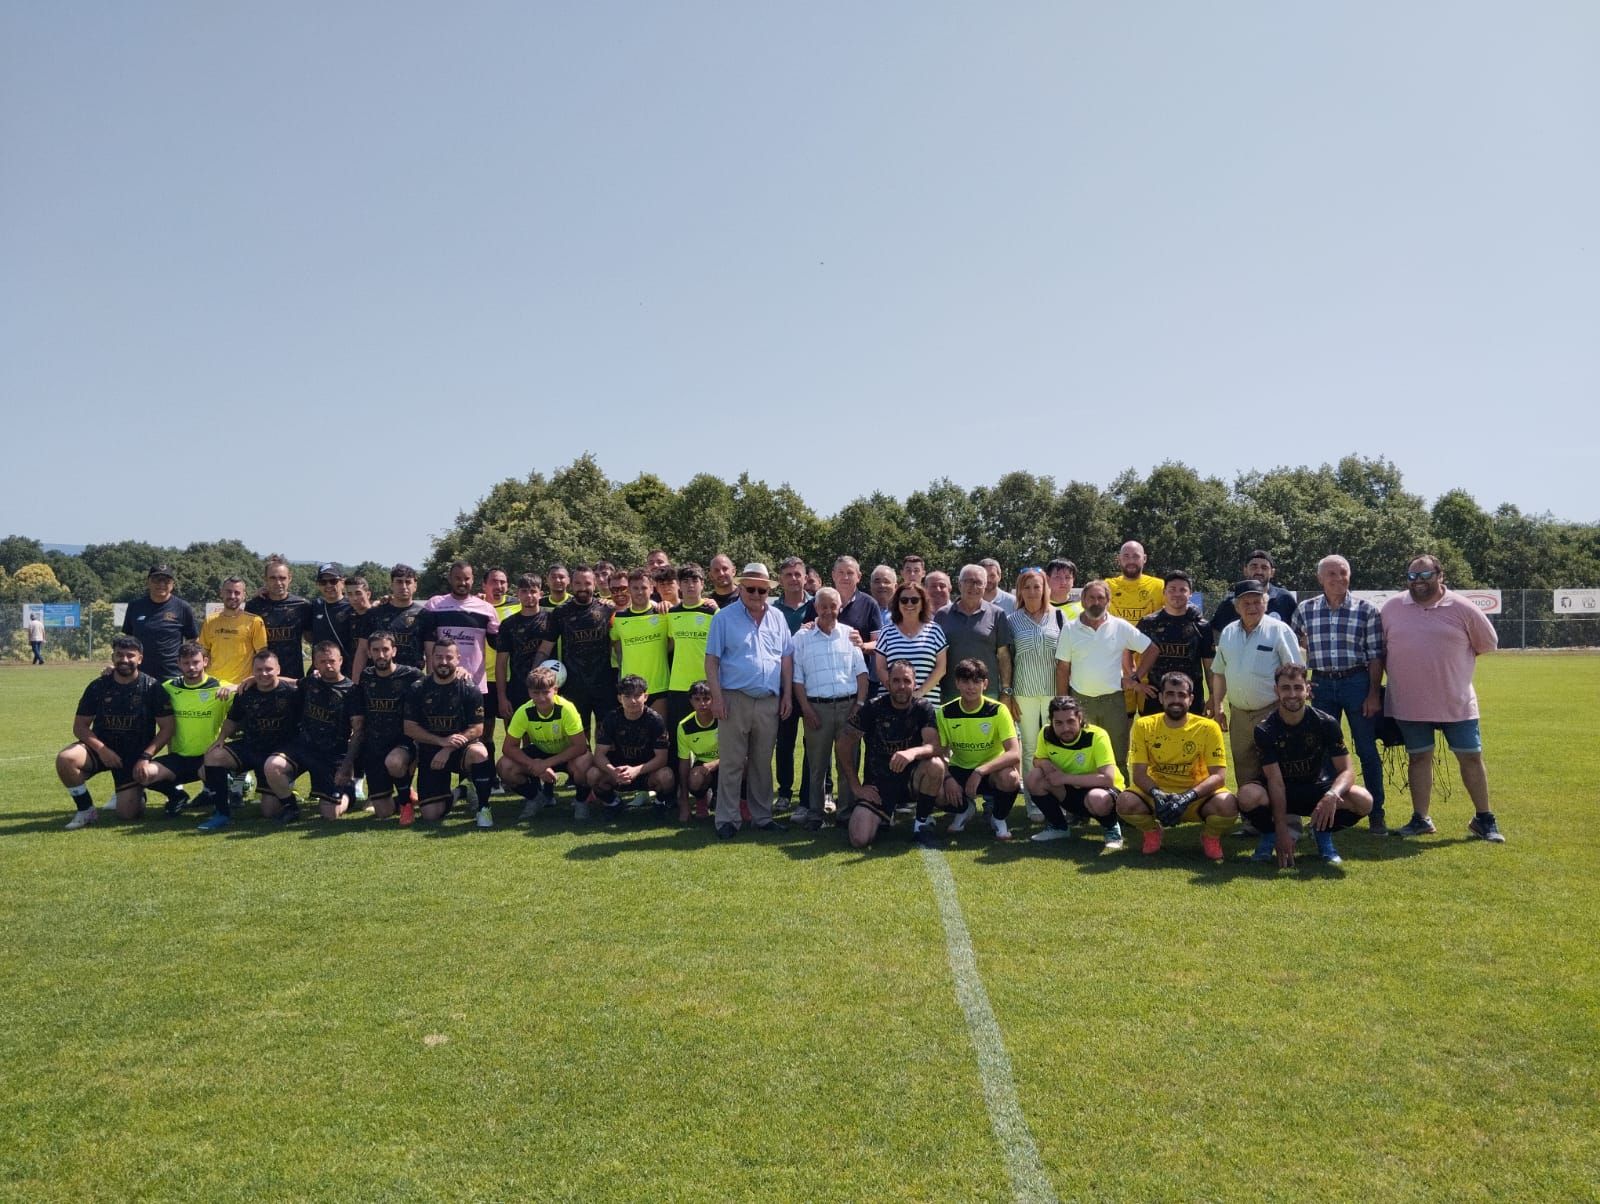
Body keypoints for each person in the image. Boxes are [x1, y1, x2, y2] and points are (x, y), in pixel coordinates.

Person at [1380, 554, 1504, 841]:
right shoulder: (1391, 608)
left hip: (1456, 702)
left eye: (1425, 575)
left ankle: (1484, 819)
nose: (1418, 582)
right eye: (1412, 576)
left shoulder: (1463, 607)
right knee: (1419, 759)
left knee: (1471, 758)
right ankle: (1420, 819)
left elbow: (1488, 643)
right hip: (1409, 703)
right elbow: (1380, 650)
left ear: (1440, 575)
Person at [1237, 664, 1374, 866]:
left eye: (1298, 687)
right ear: (1276, 691)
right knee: (1247, 795)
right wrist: (1281, 830)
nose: (1292, 694)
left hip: (1317, 790)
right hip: (1280, 791)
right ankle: (1269, 835)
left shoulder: (1326, 723)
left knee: (1363, 800)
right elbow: (1275, 782)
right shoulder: (1265, 729)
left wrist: (1331, 795)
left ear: (1308, 689)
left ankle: (1322, 833)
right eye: (1285, 688)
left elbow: (1347, 771)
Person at [1292, 554, 1388, 833]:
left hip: (1356, 682)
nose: (1338, 579)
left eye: (1343, 573)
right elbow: (1295, 651)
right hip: (1321, 684)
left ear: (1350, 575)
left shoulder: (1367, 610)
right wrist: (1303, 681)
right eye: (1331, 574)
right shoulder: (1304, 610)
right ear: (1320, 578)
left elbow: (1375, 656)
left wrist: (1372, 693)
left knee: (1367, 749)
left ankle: (1376, 813)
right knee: (1321, 752)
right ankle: (1324, 811)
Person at [703, 562, 793, 839]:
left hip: (768, 700)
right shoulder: (724, 618)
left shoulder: (778, 617)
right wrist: (716, 697)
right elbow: (711, 661)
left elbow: (786, 659)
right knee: (731, 762)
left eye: (762, 590)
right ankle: (727, 819)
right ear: (740, 587)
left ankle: (762, 816)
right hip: (734, 698)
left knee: (761, 762)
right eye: (751, 589)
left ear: (768, 591)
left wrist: (787, 694)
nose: (756, 594)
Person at [1116, 672, 1237, 861]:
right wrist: (1158, 795)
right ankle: (1152, 831)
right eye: (1170, 694)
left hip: (1197, 797)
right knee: (1124, 802)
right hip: (1158, 797)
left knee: (1228, 805)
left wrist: (1187, 797)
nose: (1176, 700)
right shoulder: (1144, 725)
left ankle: (1210, 837)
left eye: (1182, 695)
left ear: (1191, 699)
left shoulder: (1208, 727)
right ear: (1161, 697)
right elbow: (1138, 774)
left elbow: (1219, 776)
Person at [57, 635, 174, 828]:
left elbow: (167, 728)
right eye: (120, 655)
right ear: (113, 657)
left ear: (140, 659)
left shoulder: (152, 687)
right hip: (100, 749)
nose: (125, 660)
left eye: (130, 655)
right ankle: (86, 810)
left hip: (134, 756)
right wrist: (102, 750)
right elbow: (80, 727)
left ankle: (138, 793)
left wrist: (145, 756)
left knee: (127, 815)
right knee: (66, 759)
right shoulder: (98, 686)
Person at [1054, 580, 1158, 778]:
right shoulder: (1070, 629)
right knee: (1081, 755)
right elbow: (1062, 669)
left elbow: (1152, 649)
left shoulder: (1120, 626)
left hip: (1113, 702)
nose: (1096, 602)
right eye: (1091, 597)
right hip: (1081, 702)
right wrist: (1061, 704)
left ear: (1108, 601)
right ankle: (1081, 803)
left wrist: (1135, 677)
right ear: (1083, 600)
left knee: (1117, 755)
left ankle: (1121, 802)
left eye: (1101, 597)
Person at [838, 659, 944, 848]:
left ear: (915, 683)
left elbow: (934, 746)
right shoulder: (873, 707)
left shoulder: (923, 708)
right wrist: (856, 786)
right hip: (878, 787)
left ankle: (921, 825)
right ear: (887, 683)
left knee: (935, 765)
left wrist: (912, 752)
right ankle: (883, 816)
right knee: (859, 839)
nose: (901, 686)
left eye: (906, 681)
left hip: (912, 782)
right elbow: (843, 743)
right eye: (896, 681)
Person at [1209, 578, 1303, 789]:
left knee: (1280, 765)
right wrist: (1218, 706)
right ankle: (1251, 818)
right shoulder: (1228, 633)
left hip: (1272, 711)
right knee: (1244, 766)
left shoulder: (1280, 630)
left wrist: (1290, 711)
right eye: (1246, 603)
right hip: (1239, 715)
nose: (1252, 607)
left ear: (1266, 603)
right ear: (1236, 606)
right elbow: (1220, 672)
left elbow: (1295, 673)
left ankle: (1288, 817)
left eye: (1257, 601)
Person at [789, 587, 869, 829]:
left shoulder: (850, 635)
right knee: (817, 766)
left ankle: (846, 812)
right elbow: (797, 679)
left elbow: (862, 674)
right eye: (823, 606)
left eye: (832, 606)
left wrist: (859, 705)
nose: (828, 610)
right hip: (817, 709)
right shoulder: (801, 638)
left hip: (848, 707)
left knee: (848, 764)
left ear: (840, 608)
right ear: (815, 608)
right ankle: (815, 814)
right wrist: (806, 709)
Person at [197, 649, 302, 832]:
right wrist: (221, 739)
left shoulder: (292, 694)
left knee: (269, 811)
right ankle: (222, 813)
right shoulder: (245, 692)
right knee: (212, 758)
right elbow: (233, 719)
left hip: (278, 753)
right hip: (251, 747)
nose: (264, 674)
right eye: (259, 670)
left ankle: (290, 804)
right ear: (252, 671)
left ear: (278, 669)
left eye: (269, 669)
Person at [925, 658, 1022, 842]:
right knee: (936, 787)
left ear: (985, 684)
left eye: (976, 681)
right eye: (965, 681)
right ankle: (964, 809)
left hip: (991, 770)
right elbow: (940, 753)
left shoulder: (998, 710)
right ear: (957, 683)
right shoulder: (944, 712)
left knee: (1011, 778)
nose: (971, 687)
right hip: (960, 769)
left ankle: (998, 817)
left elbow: (1013, 753)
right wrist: (947, 778)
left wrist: (980, 771)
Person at [263, 641, 359, 822]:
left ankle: (348, 793)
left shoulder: (351, 691)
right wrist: (254, 679)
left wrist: (347, 765)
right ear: (315, 663)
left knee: (330, 814)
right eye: (322, 662)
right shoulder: (311, 682)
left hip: (332, 755)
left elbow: (358, 731)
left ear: (340, 660)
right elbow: (292, 682)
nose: (328, 665)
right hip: (304, 748)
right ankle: (290, 807)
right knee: (272, 766)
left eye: (331, 660)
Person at [403, 638, 494, 826]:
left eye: (449, 657)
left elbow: (478, 728)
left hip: (461, 749)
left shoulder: (469, 688)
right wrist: (440, 742)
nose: (443, 662)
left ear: (458, 659)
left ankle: (484, 809)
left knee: (480, 752)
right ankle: (460, 791)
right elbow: (409, 727)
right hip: (431, 752)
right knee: (430, 815)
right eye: (438, 657)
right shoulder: (418, 688)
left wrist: (448, 748)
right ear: (431, 658)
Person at [145, 640, 234, 815]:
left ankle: (226, 788)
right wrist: (111, 673)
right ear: (178, 663)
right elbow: (138, 686)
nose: (191, 667)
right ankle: (177, 796)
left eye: (195, 662)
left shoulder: (221, 688)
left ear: (205, 661)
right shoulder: (168, 688)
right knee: (143, 773)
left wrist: (238, 686)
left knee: (211, 773)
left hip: (209, 758)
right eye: (186, 663)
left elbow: (255, 689)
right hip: (179, 758)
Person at [1004, 567, 1065, 820]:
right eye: (1027, 587)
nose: (1032, 591)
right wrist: (1008, 694)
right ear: (1020, 590)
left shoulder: (1059, 617)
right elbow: (1006, 659)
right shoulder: (1011, 620)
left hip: (1053, 693)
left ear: (1045, 589)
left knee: (1057, 746)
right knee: (1029, 748)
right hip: (1024, 693)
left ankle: (1060, 800)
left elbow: (1066, 658)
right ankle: (1034, 803)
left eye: (1037, 586)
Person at [1024, 696, 1125, 848]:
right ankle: (1058, 827)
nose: (1065, 728)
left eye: (1070, 721)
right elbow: (1037, 759)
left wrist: (1065, 778)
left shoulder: (1096, 735)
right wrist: (1044, 763)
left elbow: (1108, 779)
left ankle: (1112, 829)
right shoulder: (1046, 733)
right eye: (1059, 723)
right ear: (1051, 721)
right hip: (1069, 791)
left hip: (1102, 792)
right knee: (1034, 777)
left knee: (1098, 798)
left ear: (1080, 718)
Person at [349, 630, 424, 824]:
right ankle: (405, 793)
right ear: (369, 652)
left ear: (394, 651)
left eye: (385, 649)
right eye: (376, 650)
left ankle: (406, 803)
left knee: (395, 762)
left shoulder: (411, 675)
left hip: (403, 741)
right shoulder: (366, 677)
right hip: (374, 746)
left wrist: (461, 671)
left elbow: (436, 686)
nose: (381, 655)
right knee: (383, 812)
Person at [500, 664, 593, 821]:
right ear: (529, 692)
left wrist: (546, 764)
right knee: (504, 766)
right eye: (536, 693)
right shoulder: (524, 711)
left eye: (546, 692)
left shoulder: (566, 708)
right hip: (540, 751)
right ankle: (535, 798)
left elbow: (580, 746)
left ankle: (581, 801)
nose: (541, 698)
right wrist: (533, 764)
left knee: (585, 762)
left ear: (555, 689)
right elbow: (508, 748)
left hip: (567, 752)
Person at [536, 565, 616, 740]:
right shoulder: (560, 612)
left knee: (605, 732)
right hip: (574, 684)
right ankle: (585, 765)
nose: (582, 587)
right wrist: (535, 673)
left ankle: (602, 765)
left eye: (587, 583)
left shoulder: (607, 610)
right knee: (579, 733)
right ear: (571, 584)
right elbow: (545, 647)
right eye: (578, 583)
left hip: (604, 682)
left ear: (594, 585)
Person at [587, 674, 674, 820]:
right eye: (627, 696)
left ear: (646, 696)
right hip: (618, 774)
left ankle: (660, 803)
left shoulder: (655, 720)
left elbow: (662, 759)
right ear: (619, 698)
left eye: (637, 695)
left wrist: (636, 770)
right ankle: (613, 804)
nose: (633, 701)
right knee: (592, 774)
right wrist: (613, 772)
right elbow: (599, 755)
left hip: (646, 773)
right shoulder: (611, 719)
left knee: (666, 776)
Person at [418, 561, 500, 701]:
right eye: (458, 578)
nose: (462, 582)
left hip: (474, 683)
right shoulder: (434, 605)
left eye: (466, 578)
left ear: (473, 580)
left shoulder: (486, 609)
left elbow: (499, 643)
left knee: (478, 723)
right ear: (450, 579)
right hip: (441, 681)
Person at [1137, 571, 1215, 717]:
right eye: (1172, 589)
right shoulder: (1148, 623)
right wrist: (1136, 682)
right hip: (1156, 698)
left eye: (1183, 590)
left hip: (1191, 699)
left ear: (1190, 593)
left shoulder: (1202, 626)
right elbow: (1127, 651)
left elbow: (1209, 666)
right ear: (1164, 592)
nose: (1177, 594)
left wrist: (1214, 696)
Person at [771, 555, 814, 811]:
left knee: (815, 742)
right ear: (780, 580)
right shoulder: (773, 610)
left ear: (806, 578)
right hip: (782, 685)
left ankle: (818, 792)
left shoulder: (817, 604)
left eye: (798, 574)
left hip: (812, 684)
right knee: (784, 742)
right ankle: (785, 792)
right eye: (788, 575)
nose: (794, 579)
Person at [934, 565, 1013, 704]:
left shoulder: (997, 614)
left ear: (985, 586)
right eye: (968, 581)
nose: (973, 586)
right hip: (950, 693)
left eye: (978, 582)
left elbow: (1003, 656)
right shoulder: (942, 614)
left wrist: (1006, 690)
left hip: (987, 693)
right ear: (959, 584)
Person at [663, 563, 719, 753]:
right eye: (685, 581)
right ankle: (678, 782)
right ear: (679, 585)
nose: (690, 585)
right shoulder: (672, 613)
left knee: (713, 736)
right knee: (677, 736)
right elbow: (669, 644)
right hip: (678, 685)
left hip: (707, 684)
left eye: (695, 580)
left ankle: (711, 778)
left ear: (702, 584)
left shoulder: (713, 612)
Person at [121, 563, 199, 682]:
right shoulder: (135, 606)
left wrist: (188, 665)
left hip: (172, 676)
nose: (161, 584)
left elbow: (192, 640)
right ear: (148, 582)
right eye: (156, 580)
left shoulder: (183, 607)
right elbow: (128, 641)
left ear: (173, 584)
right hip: (139, 675)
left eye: (166, 581)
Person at [611, 568, 671, 721]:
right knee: (634, 737)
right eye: (635, 588)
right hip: (630, 689)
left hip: (659, 685)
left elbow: (672, 642)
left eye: (644, 587)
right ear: (629, 590)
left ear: (652, 588)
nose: (639, 592)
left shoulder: (663, 614)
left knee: (660, 736)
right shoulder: (619, 618)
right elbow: (616, 644)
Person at [873, 581, 948, 705]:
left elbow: (941, 668)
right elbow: (880, 669)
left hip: (927, 704)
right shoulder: (886, 632)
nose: (909, 604)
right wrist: (898, 693)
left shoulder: (935, 630)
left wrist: (918, 694)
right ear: (897, 603)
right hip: (892, 704)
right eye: (904, 600)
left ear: (922, 603)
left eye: (914, 600)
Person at [495, 574, 554, 722]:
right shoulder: (508, 625)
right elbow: (501, 663)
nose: (529, 595)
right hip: (517, 689)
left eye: (533, 591)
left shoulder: (552, 619)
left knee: (545, 739)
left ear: (540, 594)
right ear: (517, 594)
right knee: (515, 737)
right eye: (524, 591)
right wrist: (502, 697)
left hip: (547, 689)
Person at [246, 554, 314, 680]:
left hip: (293, 678)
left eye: (282, 578)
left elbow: (312, 639)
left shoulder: (302, 606)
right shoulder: (253, 607)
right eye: (273, 578)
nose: (278, 583)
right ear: (265, 579)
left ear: (290, 578)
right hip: (262, 677)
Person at [351, 564, 425, 676]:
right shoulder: (374, 614)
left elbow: (430, 654)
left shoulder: (424, 615)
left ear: (415, 586)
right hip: (377, 680)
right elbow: (362, 651)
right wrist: (355, 685)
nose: (404, 586)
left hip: (413, 681)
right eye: (399, 582)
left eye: (408, 582)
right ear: (392, 585)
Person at [479, 566, 518, 757]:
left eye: (503, 582)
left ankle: (514, 774)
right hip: (483, 680)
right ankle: (488, 776)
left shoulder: (517, 606)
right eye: (494, 581)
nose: (499, 586)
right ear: (484, 585)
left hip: (511, 678)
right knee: (485, 732)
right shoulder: (474, 608)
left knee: (515, 731)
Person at [200, 576, 268, 685]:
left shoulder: (255, 621)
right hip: (212, 685)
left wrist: (254, 680)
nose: (232, 596)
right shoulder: (210, 621)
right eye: (228, 592)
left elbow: (262, 656)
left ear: (244, 596)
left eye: (237, 593)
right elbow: (203, 653)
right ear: (221, 593)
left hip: (241, 686)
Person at [1210, 550, 1299, 632]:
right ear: (1245, 570)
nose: (1259, 571)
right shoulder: (1231, 603)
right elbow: (1215, 633)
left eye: (1264, 567)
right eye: (1254, 567)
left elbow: (1297, 634)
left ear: (1272, 572)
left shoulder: (1285, 599)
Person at [674, 681, 721, 822]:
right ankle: (702, 803)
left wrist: (715, 764)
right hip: (703, 766)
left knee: (744, 764)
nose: (702, 704)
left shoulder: (723, 718)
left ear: (714, 699)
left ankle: (742, 805)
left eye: (706, 699)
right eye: (697, 699)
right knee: (694, 779)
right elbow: (684, 762)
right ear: (691, 701)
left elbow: (739, 751)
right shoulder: (684, 726)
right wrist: (684, 802)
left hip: (727, 761)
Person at [308, 563, 357, 670]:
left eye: (333, 581)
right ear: (318, 584)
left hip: (347, 670)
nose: (328, 585)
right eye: (323, 582)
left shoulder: (353, 605)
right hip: (320, 670)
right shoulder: (314, 606)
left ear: (342, 582)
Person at [1106, 541, 1165, 626]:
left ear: (1144, 559)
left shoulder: (1160, 586)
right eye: (1126, 556)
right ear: (1119, 559)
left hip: (1149, 639)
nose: (1131, 561)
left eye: (1136, 556)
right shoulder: (1106, 587)